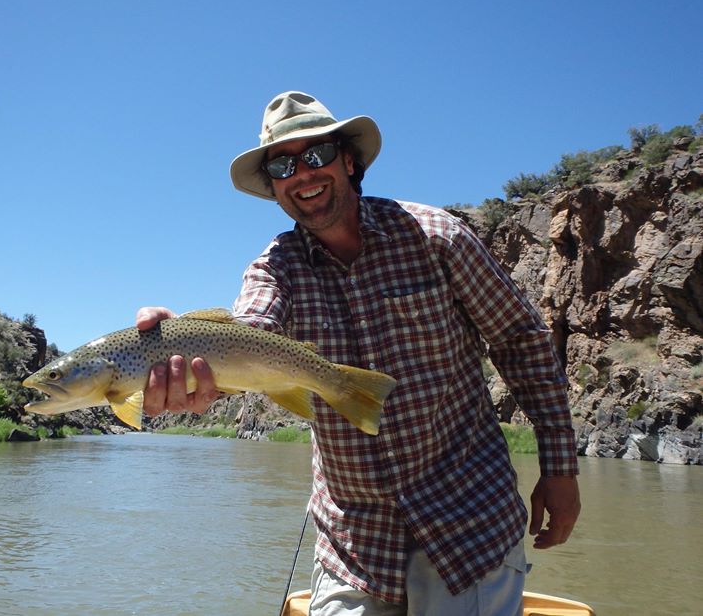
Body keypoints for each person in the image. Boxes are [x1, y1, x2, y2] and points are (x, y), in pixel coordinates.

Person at [136, 91, 580, 615]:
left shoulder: (436, 236)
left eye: (317, 154)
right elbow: (250, 330)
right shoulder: (274, 268)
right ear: (274, 186)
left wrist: (559, 468)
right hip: (354, 545)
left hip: (470, 521)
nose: (303, 173)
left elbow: (520, 340)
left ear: (348, 161)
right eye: (282, 165)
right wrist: (181, 344)